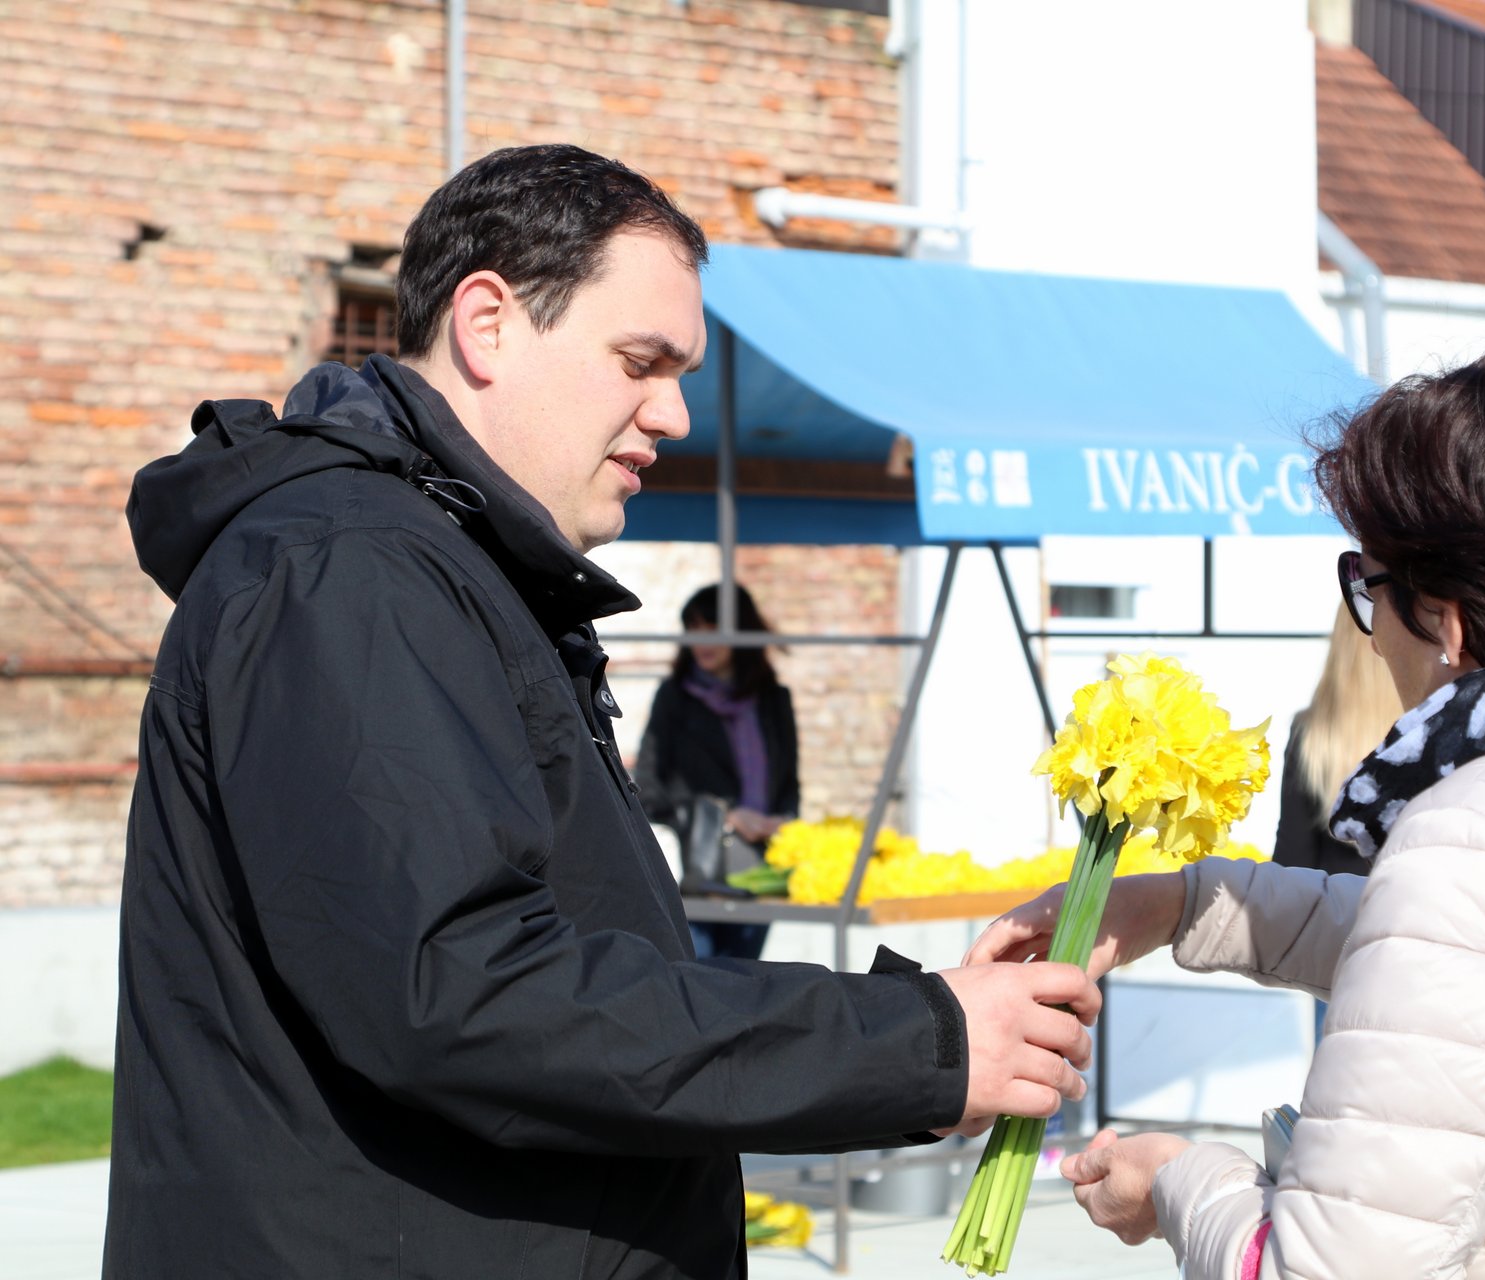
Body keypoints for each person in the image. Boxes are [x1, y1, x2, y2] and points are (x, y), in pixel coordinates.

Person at [108, 144, 1099, 1280]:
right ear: (488, 323)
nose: (672, 412)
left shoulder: (447, 566)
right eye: (641, 361)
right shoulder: (351, 573)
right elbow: (469, 998)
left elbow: (557, 962)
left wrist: (922, 1035)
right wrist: (915, 1044)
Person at [968, 314, 1485, 1278]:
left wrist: (1175, 1181)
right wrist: (1178, 904)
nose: (1372, 634)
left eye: (1368, 585)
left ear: (1447, 624)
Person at [635, 582, 796, 959]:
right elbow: (647, 790)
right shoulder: (675, 698)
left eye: (713, 628)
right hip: (700, 875)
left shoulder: (773, 700)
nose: (702, 641)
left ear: (741, 632)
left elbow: (789, 783)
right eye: (694, 629)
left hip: (762, 871)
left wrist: (783, 822)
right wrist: (727, 816)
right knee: (700, 981)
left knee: (747, 982)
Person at [1271, 607, 1399, 879]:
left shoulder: (1312, 732)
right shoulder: (1428, 729)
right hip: (1405, 899)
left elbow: (1291, 860)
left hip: (1330, 901)